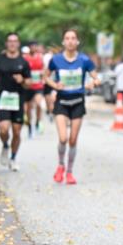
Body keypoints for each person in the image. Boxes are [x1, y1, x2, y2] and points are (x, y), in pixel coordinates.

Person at [46, 28, 100, 184]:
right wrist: (55, 85)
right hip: (61, 103)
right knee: (63, 138)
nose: (70, 41)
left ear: (77, 42)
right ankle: (60, 165)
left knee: (73, 140)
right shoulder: (56, 60)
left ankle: (69, 172)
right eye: (67, 38)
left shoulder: (84, 60)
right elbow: (46, 77)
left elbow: (97, 78)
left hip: (77, 102)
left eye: (73, 38)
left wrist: (93, 83)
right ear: (63, 42)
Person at [0, 33, 32, 171]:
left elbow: (29, 83)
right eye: (10, 41)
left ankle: (13, 157)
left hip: (18, 99)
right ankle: (5, 145)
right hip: (3, 98)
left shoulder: (23, 62)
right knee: (4, 129)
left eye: (15, 41)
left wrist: (22, 80)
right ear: (6, 44)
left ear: (18, 44)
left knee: (17, 132)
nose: (12, 44)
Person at [23, 44, 46, 136]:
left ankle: (38, 121)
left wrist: (43, 74)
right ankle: (29, 124)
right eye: (31, 47)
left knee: (39, 103)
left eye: (35, 46)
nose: (33, 48)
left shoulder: (40, 57)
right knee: (29, 108)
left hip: (38, 86)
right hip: (28, 87)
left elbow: (44, 69)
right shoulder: (25, 58)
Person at [42, 44, 57, 115]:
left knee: (50, 97)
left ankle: (50, 110)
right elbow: (44, 68)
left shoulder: (56, 57)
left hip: (52, 80)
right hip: (49, 80)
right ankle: (50, 110)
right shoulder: (48, 57)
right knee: (49, 97)